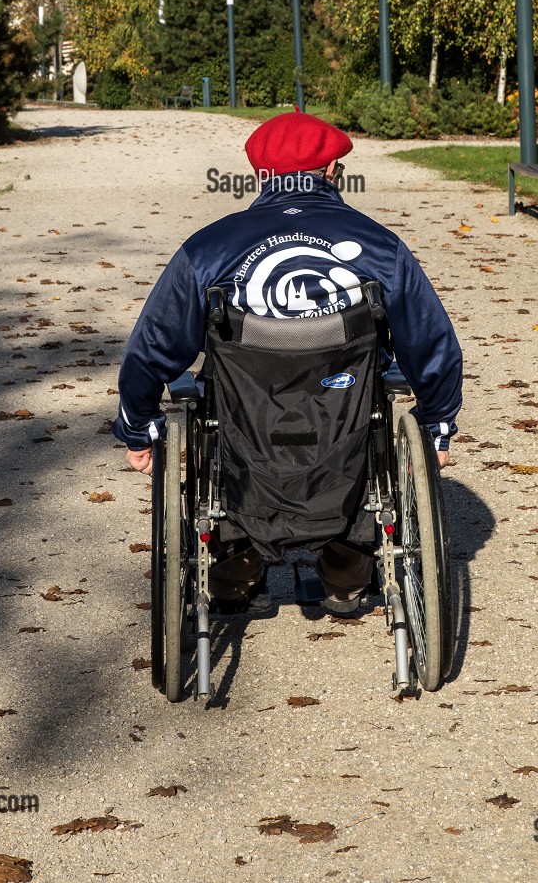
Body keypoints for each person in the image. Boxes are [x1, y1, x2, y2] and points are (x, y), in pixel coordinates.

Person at [115, 108, 463, 614]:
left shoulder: (209, 249)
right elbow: (433, 346)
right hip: (345, 422)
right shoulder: (381, 248)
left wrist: (137, 428)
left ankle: (235, 574)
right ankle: (346, 574)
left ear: (261, 175)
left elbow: (151, 349)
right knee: (363, 416)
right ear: (331, 173)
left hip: (244, 426)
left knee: (220, 413)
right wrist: (436, 425)